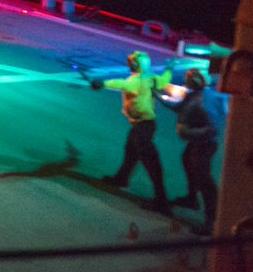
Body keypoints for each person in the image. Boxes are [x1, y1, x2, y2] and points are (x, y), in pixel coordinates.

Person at [91, 51, 174, 214]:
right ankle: (122, 178)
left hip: (143, 125)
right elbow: (165, 81)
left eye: (131, 63)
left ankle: (161, 201)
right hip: (144, 124)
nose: (129, 65)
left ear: (135, 65)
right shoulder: (152, 78)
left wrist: (103, 84)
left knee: (150, 162)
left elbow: (120, 84)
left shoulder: (136, 81)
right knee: (131, 152)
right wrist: (169, 68)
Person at [159, 68, 227, 235]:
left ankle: (212, 221)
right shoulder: (197, 95)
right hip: (198, 142)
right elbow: (182, 108)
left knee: (204, 179)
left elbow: (212, 129)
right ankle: (191, 199)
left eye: (188, 78)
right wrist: (159, 97)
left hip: (204, 143)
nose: (185, 81)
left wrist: (186, 132)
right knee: (187, 162)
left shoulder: (204, 101)